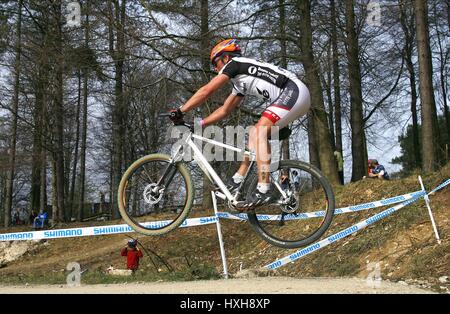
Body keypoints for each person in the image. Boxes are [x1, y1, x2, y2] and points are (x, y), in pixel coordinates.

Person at [169, 39, 311, 209]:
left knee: (258, 132)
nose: (215, 69)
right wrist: (199, 123)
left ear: (226, 57)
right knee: (254, 136)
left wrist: (181, 110)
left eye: (216, 63)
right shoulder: (240, 81)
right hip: (294, 96)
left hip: (293, 91)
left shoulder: (235, 64)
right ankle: (237, 180)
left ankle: (264, 188)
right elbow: (225, 110)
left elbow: (207, 90)